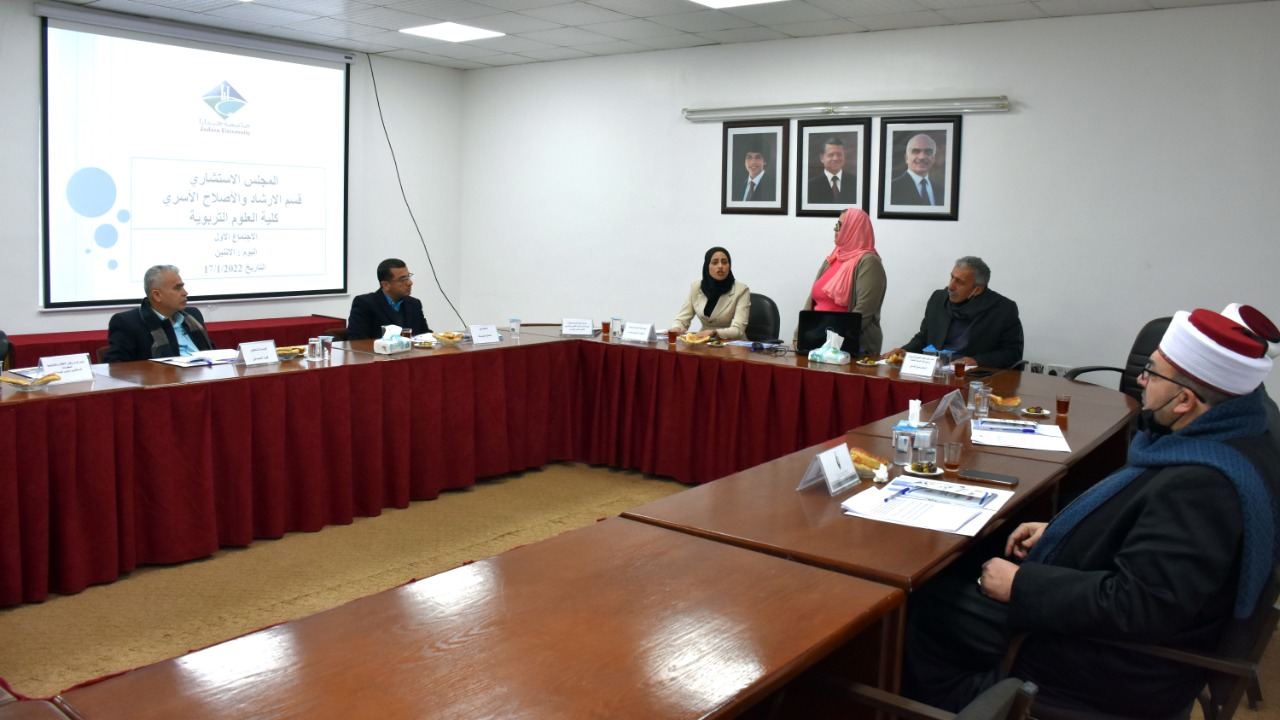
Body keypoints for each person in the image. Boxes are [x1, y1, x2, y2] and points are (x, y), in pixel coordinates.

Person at [902, 307, 1280, 716]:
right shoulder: (1239, 437)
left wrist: (1022, 585)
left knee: (926, 605)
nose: (1141, 380)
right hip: (1121, 626)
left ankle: (956, 704)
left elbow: (1141, 605)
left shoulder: (1204, 486)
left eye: (1152, 373)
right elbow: (1152, 537)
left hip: (1113, 665)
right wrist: (1064, 530)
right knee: (963, 569)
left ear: (1185, 401)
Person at [883, 256, 1022, 368]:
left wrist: (977, 360)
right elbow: (924, 338)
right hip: (934, 371)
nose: (951, 286)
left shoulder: (1002, 309)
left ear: (978, 289)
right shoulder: (938, 299)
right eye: (952, 277)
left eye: (960, 282)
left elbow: (1012, 353)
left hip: (972, 376)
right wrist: (906, 350)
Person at [799, 208, 886, 355]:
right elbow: (811, 300)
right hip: (817, 342)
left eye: (840, 225)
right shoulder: (834, 257)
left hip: (849, 347)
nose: (835, 229)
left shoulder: (869, 262)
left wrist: (832, 343)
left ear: (853, 229)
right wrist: (799, 335)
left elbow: (863, 311)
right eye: (836, 224)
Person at [103, 265, 215, 363]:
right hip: (163, 379)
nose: (185, 293)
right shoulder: (128, 323)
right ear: (157, 295)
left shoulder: (193, 315)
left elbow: (212, 352)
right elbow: (116, 366)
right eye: (177, 288)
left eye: (183, 287)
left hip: (206, 376)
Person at [670, 247, 751, 341]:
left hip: (732, 343)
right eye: (715, 262)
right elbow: (682, 319)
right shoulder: (696, 287)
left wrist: (714, 333)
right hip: (703, 341)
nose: (720, 266)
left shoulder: (741, 290)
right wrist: (677, 328)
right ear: (707, 265)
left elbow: (738, 330)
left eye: (724, 262)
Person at [346, 258, 431, 341]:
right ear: (386, 285)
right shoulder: (365, 304)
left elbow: (425, 335)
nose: (410, 283)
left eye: (408, 277)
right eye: (402, 279)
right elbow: (357, 340)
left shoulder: (414, 304)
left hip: (412, 350)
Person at [889, 133, 944, 206]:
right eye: (916, 151)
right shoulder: (892, 188)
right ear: (906, 158)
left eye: (928, 152)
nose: (922, 157)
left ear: (933, 159)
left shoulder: (941, 191)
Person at [806, 137, 858, 205]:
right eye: (831, 155)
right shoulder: (810, 186)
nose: (835, 158)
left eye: (839, 154)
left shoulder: (855, 183)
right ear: (822, 158)